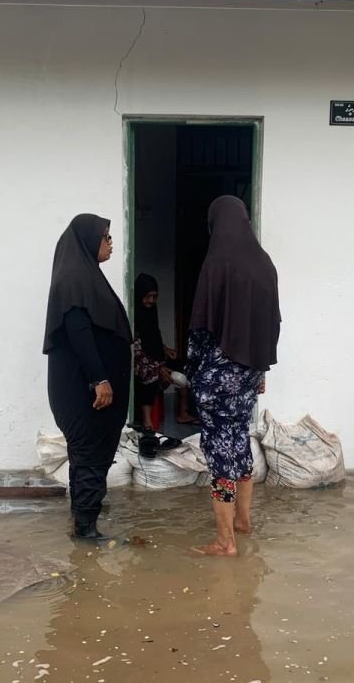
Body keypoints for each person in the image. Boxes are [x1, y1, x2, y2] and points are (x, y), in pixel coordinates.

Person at [186, 196, 281, 556]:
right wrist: (260, 369)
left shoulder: (217, 263)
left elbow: (200, 328)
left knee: (220, 454)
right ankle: (242, 522)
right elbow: (274, 323)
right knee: (238, 444)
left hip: (217, 379)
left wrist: (192, 373)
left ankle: (225, 541)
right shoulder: (265, 264)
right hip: (248, 378)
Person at [44, 214, 132, 540]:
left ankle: (83, 520)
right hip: (86, 392)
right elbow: (79, 333)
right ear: (87, 240)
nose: (110, 243)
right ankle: (86, 529)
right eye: (106, 237)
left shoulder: (84, 277)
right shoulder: (74, 280)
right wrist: (100, 379)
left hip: (87, 391)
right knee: (91, 456)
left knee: (85, 456)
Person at [132, 272, 198, 430]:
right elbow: (137, 347)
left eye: (154, 297)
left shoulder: (151, 312)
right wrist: (158, 367)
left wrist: (165, 350)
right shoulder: (133, 314)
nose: (151, 301)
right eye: (148, 296)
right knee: (149, 376)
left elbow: (153, 337)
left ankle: (183, 413)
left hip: (155, 357)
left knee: (182, 367)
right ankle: (148, 422)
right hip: (139, 360)